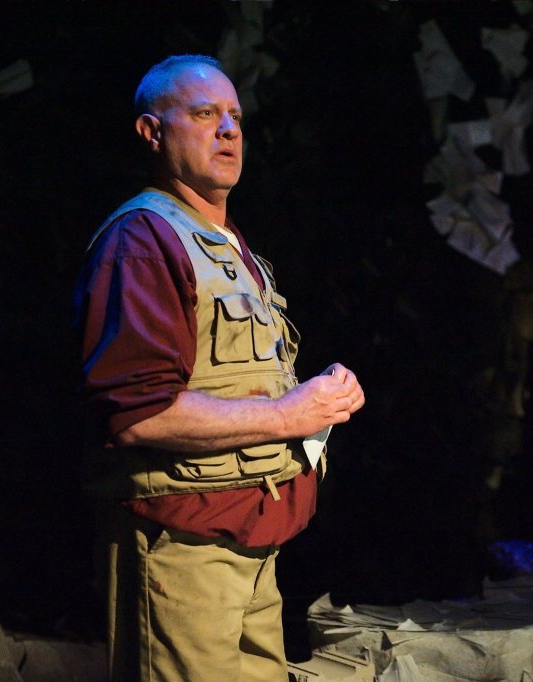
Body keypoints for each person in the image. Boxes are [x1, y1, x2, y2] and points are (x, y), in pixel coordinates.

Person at [73, 55, 365, 681]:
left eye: (235, 116)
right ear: (152, 133)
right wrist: (287, 414)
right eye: (205, 114)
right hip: (183, 548)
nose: (229, 129)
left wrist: (320, 396)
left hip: (251, 543)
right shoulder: (143, 242)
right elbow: (139, 414)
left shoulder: (225, 244)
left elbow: (237, 379)